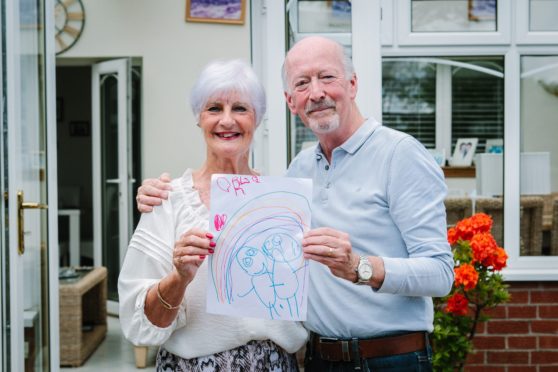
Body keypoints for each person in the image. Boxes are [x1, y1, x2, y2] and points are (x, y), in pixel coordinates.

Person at [136, 36, 454, 371]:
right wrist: (159, 192)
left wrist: (361, 267)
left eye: (327, 77)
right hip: (319, 359)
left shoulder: (399, 154)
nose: (316, 92)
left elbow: (440, 273)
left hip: (390, 358)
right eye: (302, 83)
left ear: (353, 84)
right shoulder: (300, 170)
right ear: (291, 101)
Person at [118, 59, 307, 372]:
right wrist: (179, 277)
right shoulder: (168, 200)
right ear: (198, 117)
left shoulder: (283, 201)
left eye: (241, 109)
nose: (227, 121)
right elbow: (139, 325)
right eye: (214, 108)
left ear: (257, 118)